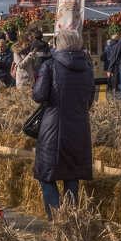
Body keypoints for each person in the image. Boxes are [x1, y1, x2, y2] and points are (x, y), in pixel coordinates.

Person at [32, 28, 95, 221]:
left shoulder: (50, 66)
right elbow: (90, 101)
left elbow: (39, 96)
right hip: (78, 128)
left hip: (53, 128)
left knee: (45, 176)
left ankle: (58, 217)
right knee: (71, 175)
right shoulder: (87, 68)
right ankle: (70, 219)